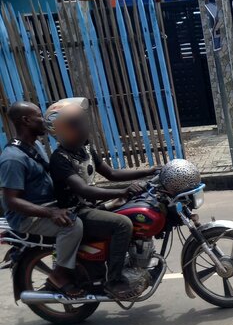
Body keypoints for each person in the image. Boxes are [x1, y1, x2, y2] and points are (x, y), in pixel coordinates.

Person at [45, 98, 156, 299]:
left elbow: (111, 173)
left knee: (133, 209)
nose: (83, 127)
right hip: (77, 212)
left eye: (82, 121)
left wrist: (148, 171)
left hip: (92, 206)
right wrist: (122, 192)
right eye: (75, 124)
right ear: (60, 130)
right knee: (122, 224)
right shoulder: (59, 159)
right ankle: (114, 280)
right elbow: (84, 190)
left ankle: (131, 262)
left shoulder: (85, 149)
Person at [0, 101, 86, 296]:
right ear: (26, 120)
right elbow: (12, 201)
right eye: (40, 116)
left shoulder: (35, 145)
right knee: (73, 225)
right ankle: (60, 275)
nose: (46, 120)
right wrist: (51, 212)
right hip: (27, 217)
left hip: (46, 205)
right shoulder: (12, 158)